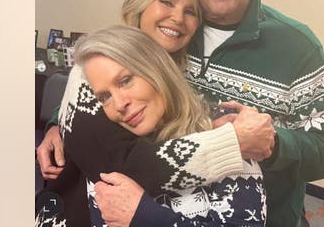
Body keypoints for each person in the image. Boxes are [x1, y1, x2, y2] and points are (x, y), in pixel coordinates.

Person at [94, 0, 324, 226]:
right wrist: (56, 122)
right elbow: (110, 75)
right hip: (171, 212)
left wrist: (273, 142)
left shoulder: (297, 45)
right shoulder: (172, 33)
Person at [35, 0, 275, 227]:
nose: (177, 18)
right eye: (167, 2)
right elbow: (115, 166)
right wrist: (230, 143)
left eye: (190, 11)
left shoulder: (186, 78)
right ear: (141, 3)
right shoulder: (95, 61)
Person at [77, 25, 267, 226]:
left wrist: (145, 216)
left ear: (156, 69)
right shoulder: (107, 152)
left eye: (125, 81)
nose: (119, 104)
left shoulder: (227, 134)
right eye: (105, 96)